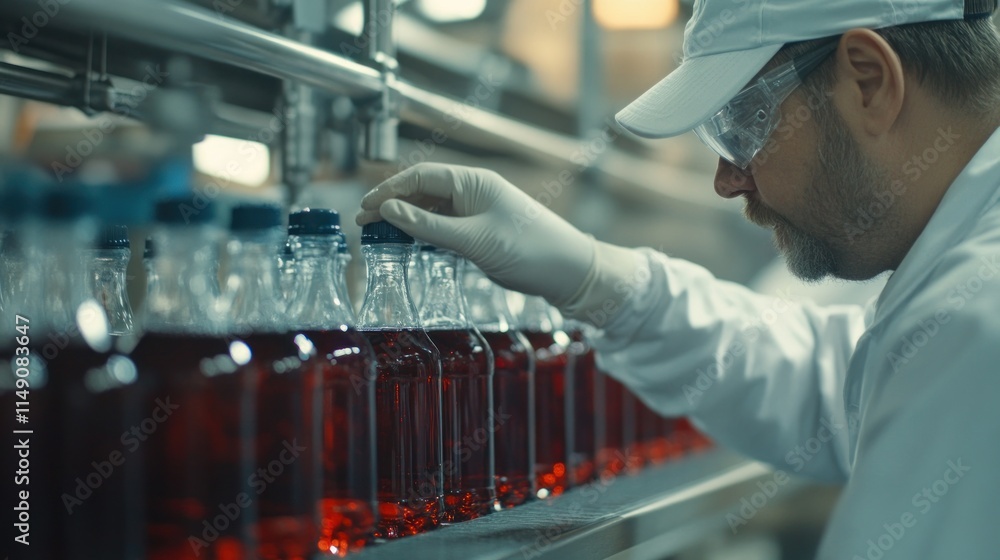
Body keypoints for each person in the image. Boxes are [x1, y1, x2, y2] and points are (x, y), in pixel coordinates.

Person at [356, 0, 1000, 557]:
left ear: (868, 81)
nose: (727, 180)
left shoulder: (972, 331)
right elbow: (840, 386)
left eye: (742, 125)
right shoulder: (956, 306)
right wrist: (595, 277)